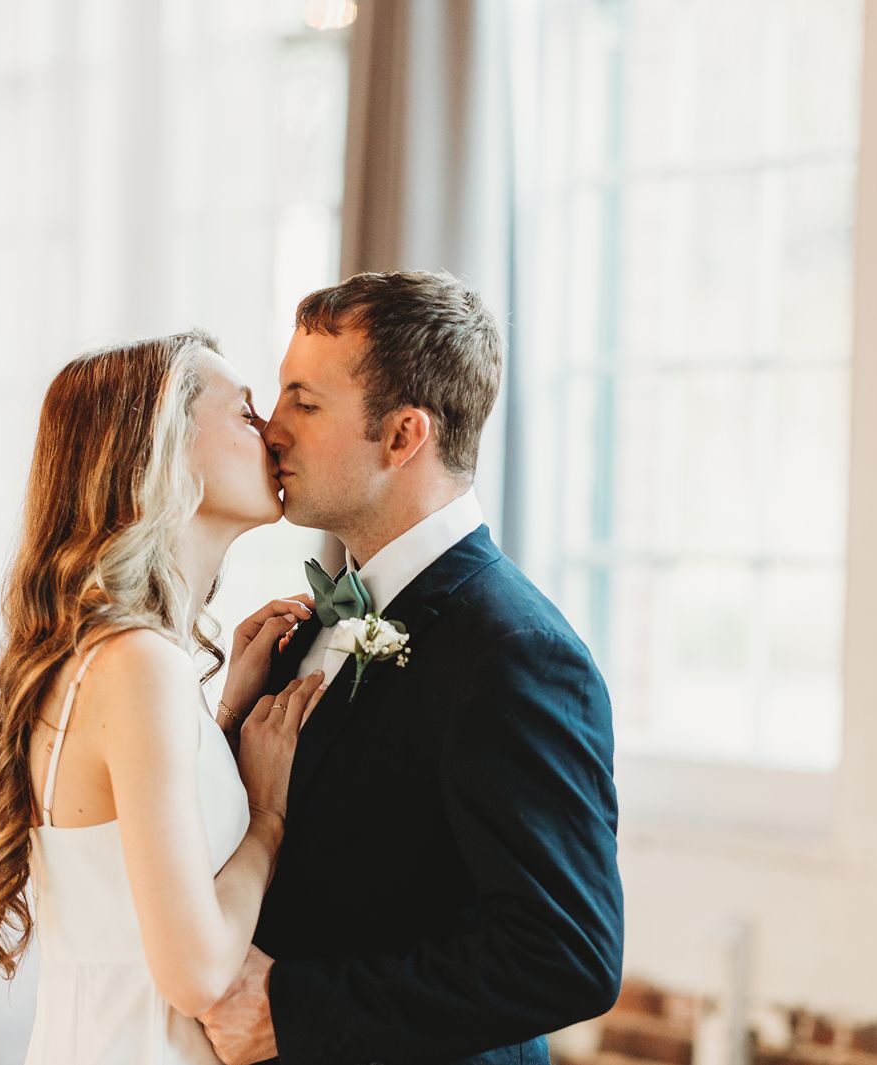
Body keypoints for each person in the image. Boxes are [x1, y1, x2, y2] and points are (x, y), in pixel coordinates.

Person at [199, 271, 625, 1065]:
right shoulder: (305, 627)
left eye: (304, 402)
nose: (271, 427)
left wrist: (292, 1010)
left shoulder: (518, 652)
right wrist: (227, 721)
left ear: (402, 437)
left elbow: (567, 954)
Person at [0, 330, 325, 1063]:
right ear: (163, 450)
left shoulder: (113, 653)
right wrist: (268, 818)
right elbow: (198, 972)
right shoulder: (137, 662)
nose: (273, 430)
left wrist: (223, 722)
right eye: (245, 412)